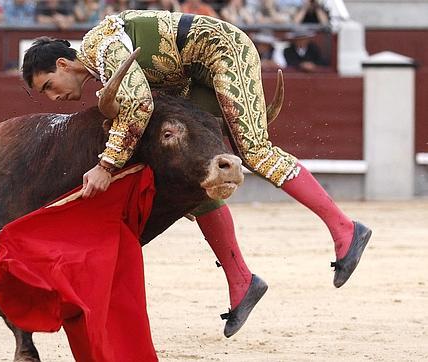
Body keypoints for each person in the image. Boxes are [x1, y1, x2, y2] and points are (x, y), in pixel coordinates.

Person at [21, 10, 372, 338]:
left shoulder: (102, 46)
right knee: (197, 178)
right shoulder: (101, 68)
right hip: (191, 77)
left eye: (49, 85)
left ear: (64, 63)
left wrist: (106, 166)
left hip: (223, 52)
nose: (53, 97)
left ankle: (344, 228)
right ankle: (242, 281)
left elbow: (139, 104)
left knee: (255, 150)